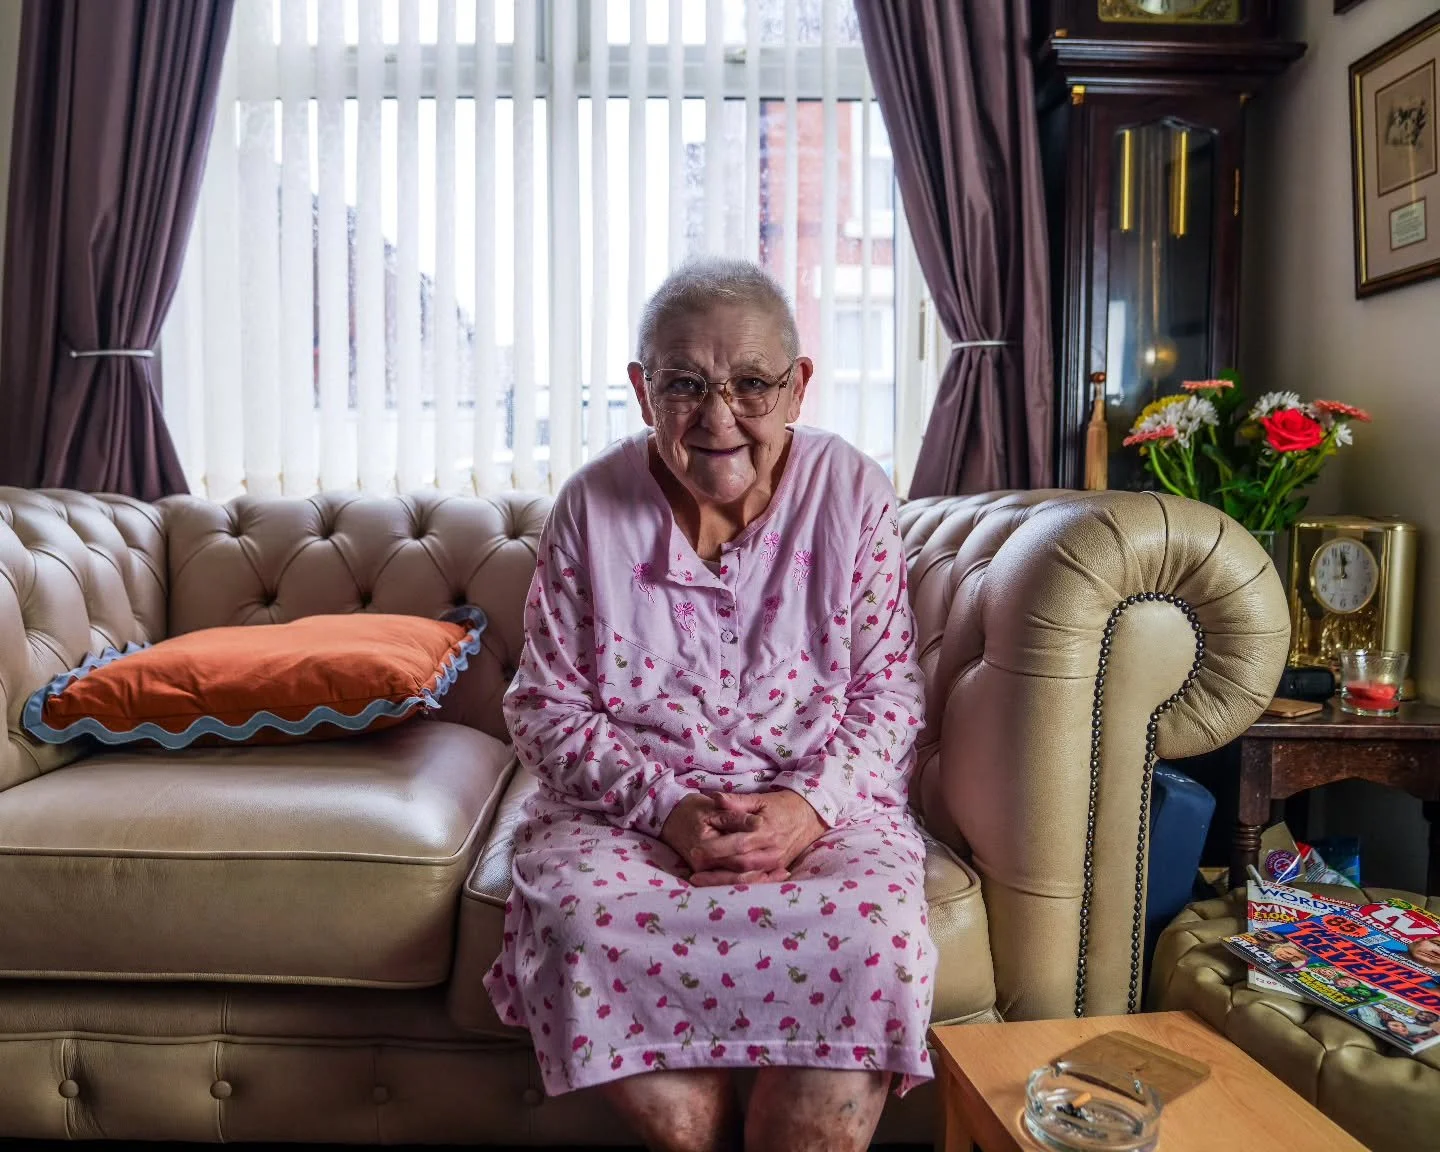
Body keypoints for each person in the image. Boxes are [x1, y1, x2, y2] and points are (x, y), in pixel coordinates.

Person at [484, 258, 935, 1152]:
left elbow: (888, 691)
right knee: (582, 926)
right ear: (643, 392)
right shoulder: (589, 505)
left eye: (752, 385)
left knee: (874, 932)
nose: (718, 416)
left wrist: (807, 810)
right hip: (623, 816)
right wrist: (669, 809)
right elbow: (545, 708)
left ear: (798, 386)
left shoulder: (853, 494)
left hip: (825, 809)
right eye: (684, 383)